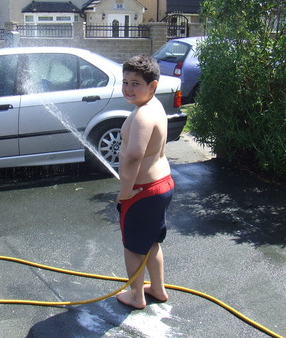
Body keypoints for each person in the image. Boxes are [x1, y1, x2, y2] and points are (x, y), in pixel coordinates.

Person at [116, 55, 175, 310]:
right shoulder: (156, 107)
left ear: (152, 86)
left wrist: (125, 192)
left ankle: (136, 295)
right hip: (162, 184)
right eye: (125, 82)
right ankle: (158, 289)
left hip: (142, 192)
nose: (129, 88)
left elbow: (134, 156)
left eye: (136, 83)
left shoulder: (141, 116)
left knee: (132, 247)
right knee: (151, 241)